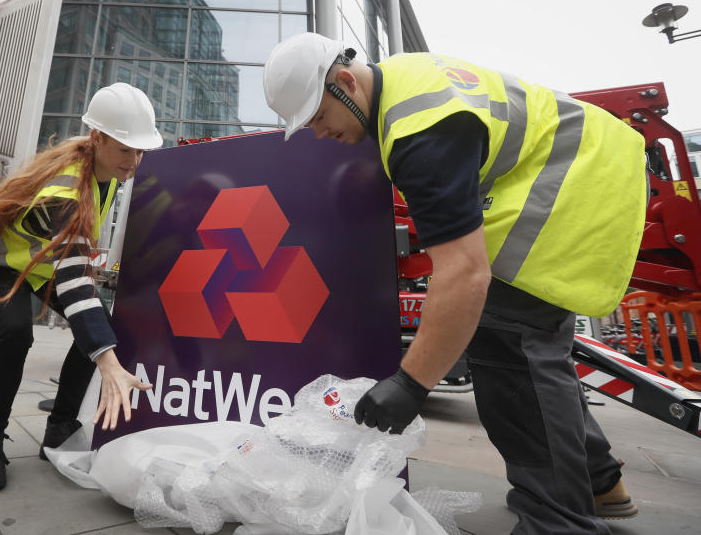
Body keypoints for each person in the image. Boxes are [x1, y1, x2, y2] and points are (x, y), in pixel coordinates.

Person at [262, 33, 646, 534]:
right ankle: (598, 484)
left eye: (317, 117)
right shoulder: (404, 86)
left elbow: (464, 273)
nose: (318, 132)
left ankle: (557, 522)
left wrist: (411, 382)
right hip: (587, 172)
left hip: (578, 186)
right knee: (530, 351)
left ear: (345, 83)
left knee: (511, 349)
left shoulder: (421, 131)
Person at [0, 82, 161, 492]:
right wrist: (109, 364)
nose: (134, 161)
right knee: (15, 334)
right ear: (97, 138)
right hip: (0, 265)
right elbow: (75, 277)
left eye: (139, 151)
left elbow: (72, 272)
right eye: (125, 150)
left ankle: (59, 428)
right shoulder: (63, 192)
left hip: (43, 268)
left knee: (94, 324)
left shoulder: (109, 167)